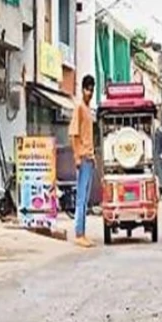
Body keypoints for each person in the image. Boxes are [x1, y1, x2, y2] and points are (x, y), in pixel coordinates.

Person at [69, 75, 96, 248]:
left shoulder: (88, 109)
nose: (90, 93)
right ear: (83, 89)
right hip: (83, 158)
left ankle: (83, 233)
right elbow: (73, 134)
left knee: (85, 199)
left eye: (92, 90)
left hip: (90, 158)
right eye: (88, 89)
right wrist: (77, 156)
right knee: (80, 198)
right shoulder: (79, 108)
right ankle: (79, 233)